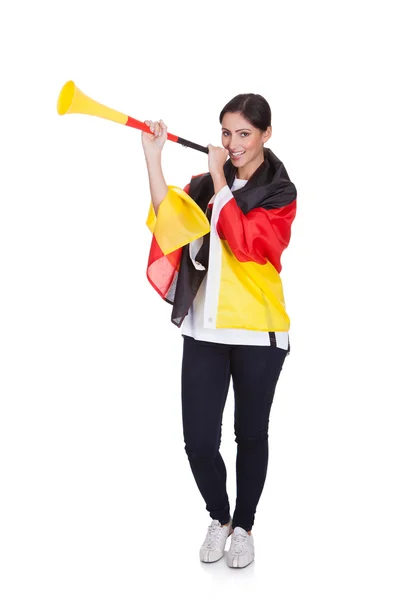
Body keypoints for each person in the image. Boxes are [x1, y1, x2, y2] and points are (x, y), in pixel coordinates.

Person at [141, 94, 297, 568]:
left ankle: (245, 527)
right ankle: (220, 516)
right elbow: (171, 221)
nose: (233, 143)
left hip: (258, 331)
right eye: (227, 133)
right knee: (199, 442)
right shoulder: (208, 182)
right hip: (205, 330)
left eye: (244, 134)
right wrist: (154, 157)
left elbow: (251, 243)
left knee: (250, 435)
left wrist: (222, 184)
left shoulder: (280, 191)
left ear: (266, 134)